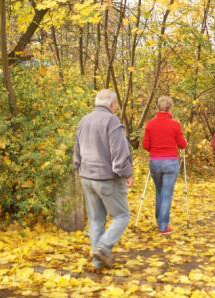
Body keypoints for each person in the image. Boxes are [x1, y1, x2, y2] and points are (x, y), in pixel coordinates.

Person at [73, 89, 133, 269]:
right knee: (122, 216)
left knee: (96, 220)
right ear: (113, 105)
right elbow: (119, 153)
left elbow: (77, 149)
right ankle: (103, 247)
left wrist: (78, 167)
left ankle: (98, 262)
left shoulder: (84, 120)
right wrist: (126, 173)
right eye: (116, 105)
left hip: (86, 176)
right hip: (106, 178)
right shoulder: (111, 121)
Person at [142, 95, 187, 235]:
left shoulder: (150, 124)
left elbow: (145, 145)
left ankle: (159, 220)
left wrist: (155, 150)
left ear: (157, 107)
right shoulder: (175, 124)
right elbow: (182, 144)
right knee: (166, 193)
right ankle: (163, 226)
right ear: (170, 108)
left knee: (159, 191)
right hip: (170, 162)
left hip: (155, 161)